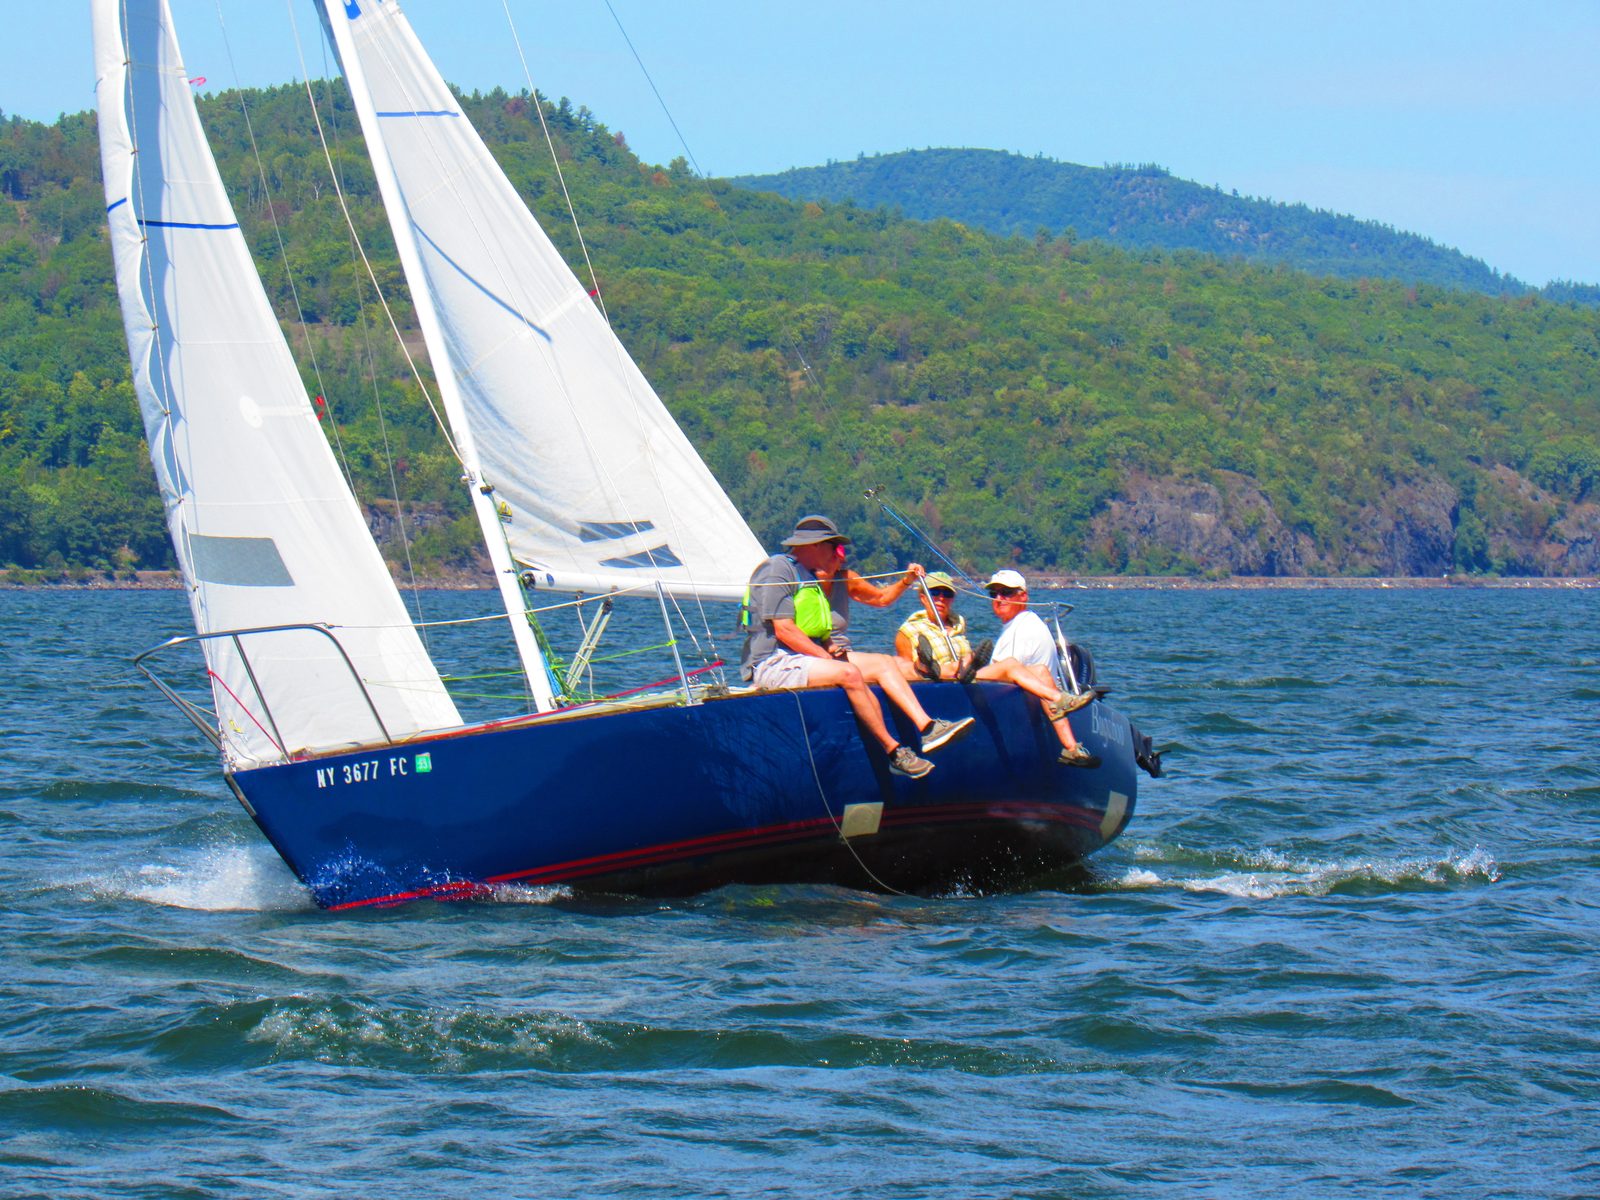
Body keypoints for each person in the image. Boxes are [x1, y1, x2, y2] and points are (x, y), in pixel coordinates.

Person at [740, 515, 974, 778]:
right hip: (773, 662)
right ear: (816, 545)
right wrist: (828, 658)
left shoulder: (809, 577)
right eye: (833, 546)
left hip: (805, 659)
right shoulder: (778, 568)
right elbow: (784, 629)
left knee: (884, 663)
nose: (838, 554)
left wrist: (830, 649)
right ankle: (894, 752)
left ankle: (927, 728)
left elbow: (817, 630)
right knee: (850, 673)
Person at [985, 569, 1100, 768]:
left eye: (1006, 592)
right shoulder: (1027, 622)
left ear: (1023, 596)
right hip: (1039, 701)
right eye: (994, 593)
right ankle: (1070, 746)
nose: (999, 598)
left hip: (1015, 710)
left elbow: (1001, 679)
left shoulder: (1020, 628)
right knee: (1040, 672)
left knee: (1006, 665)